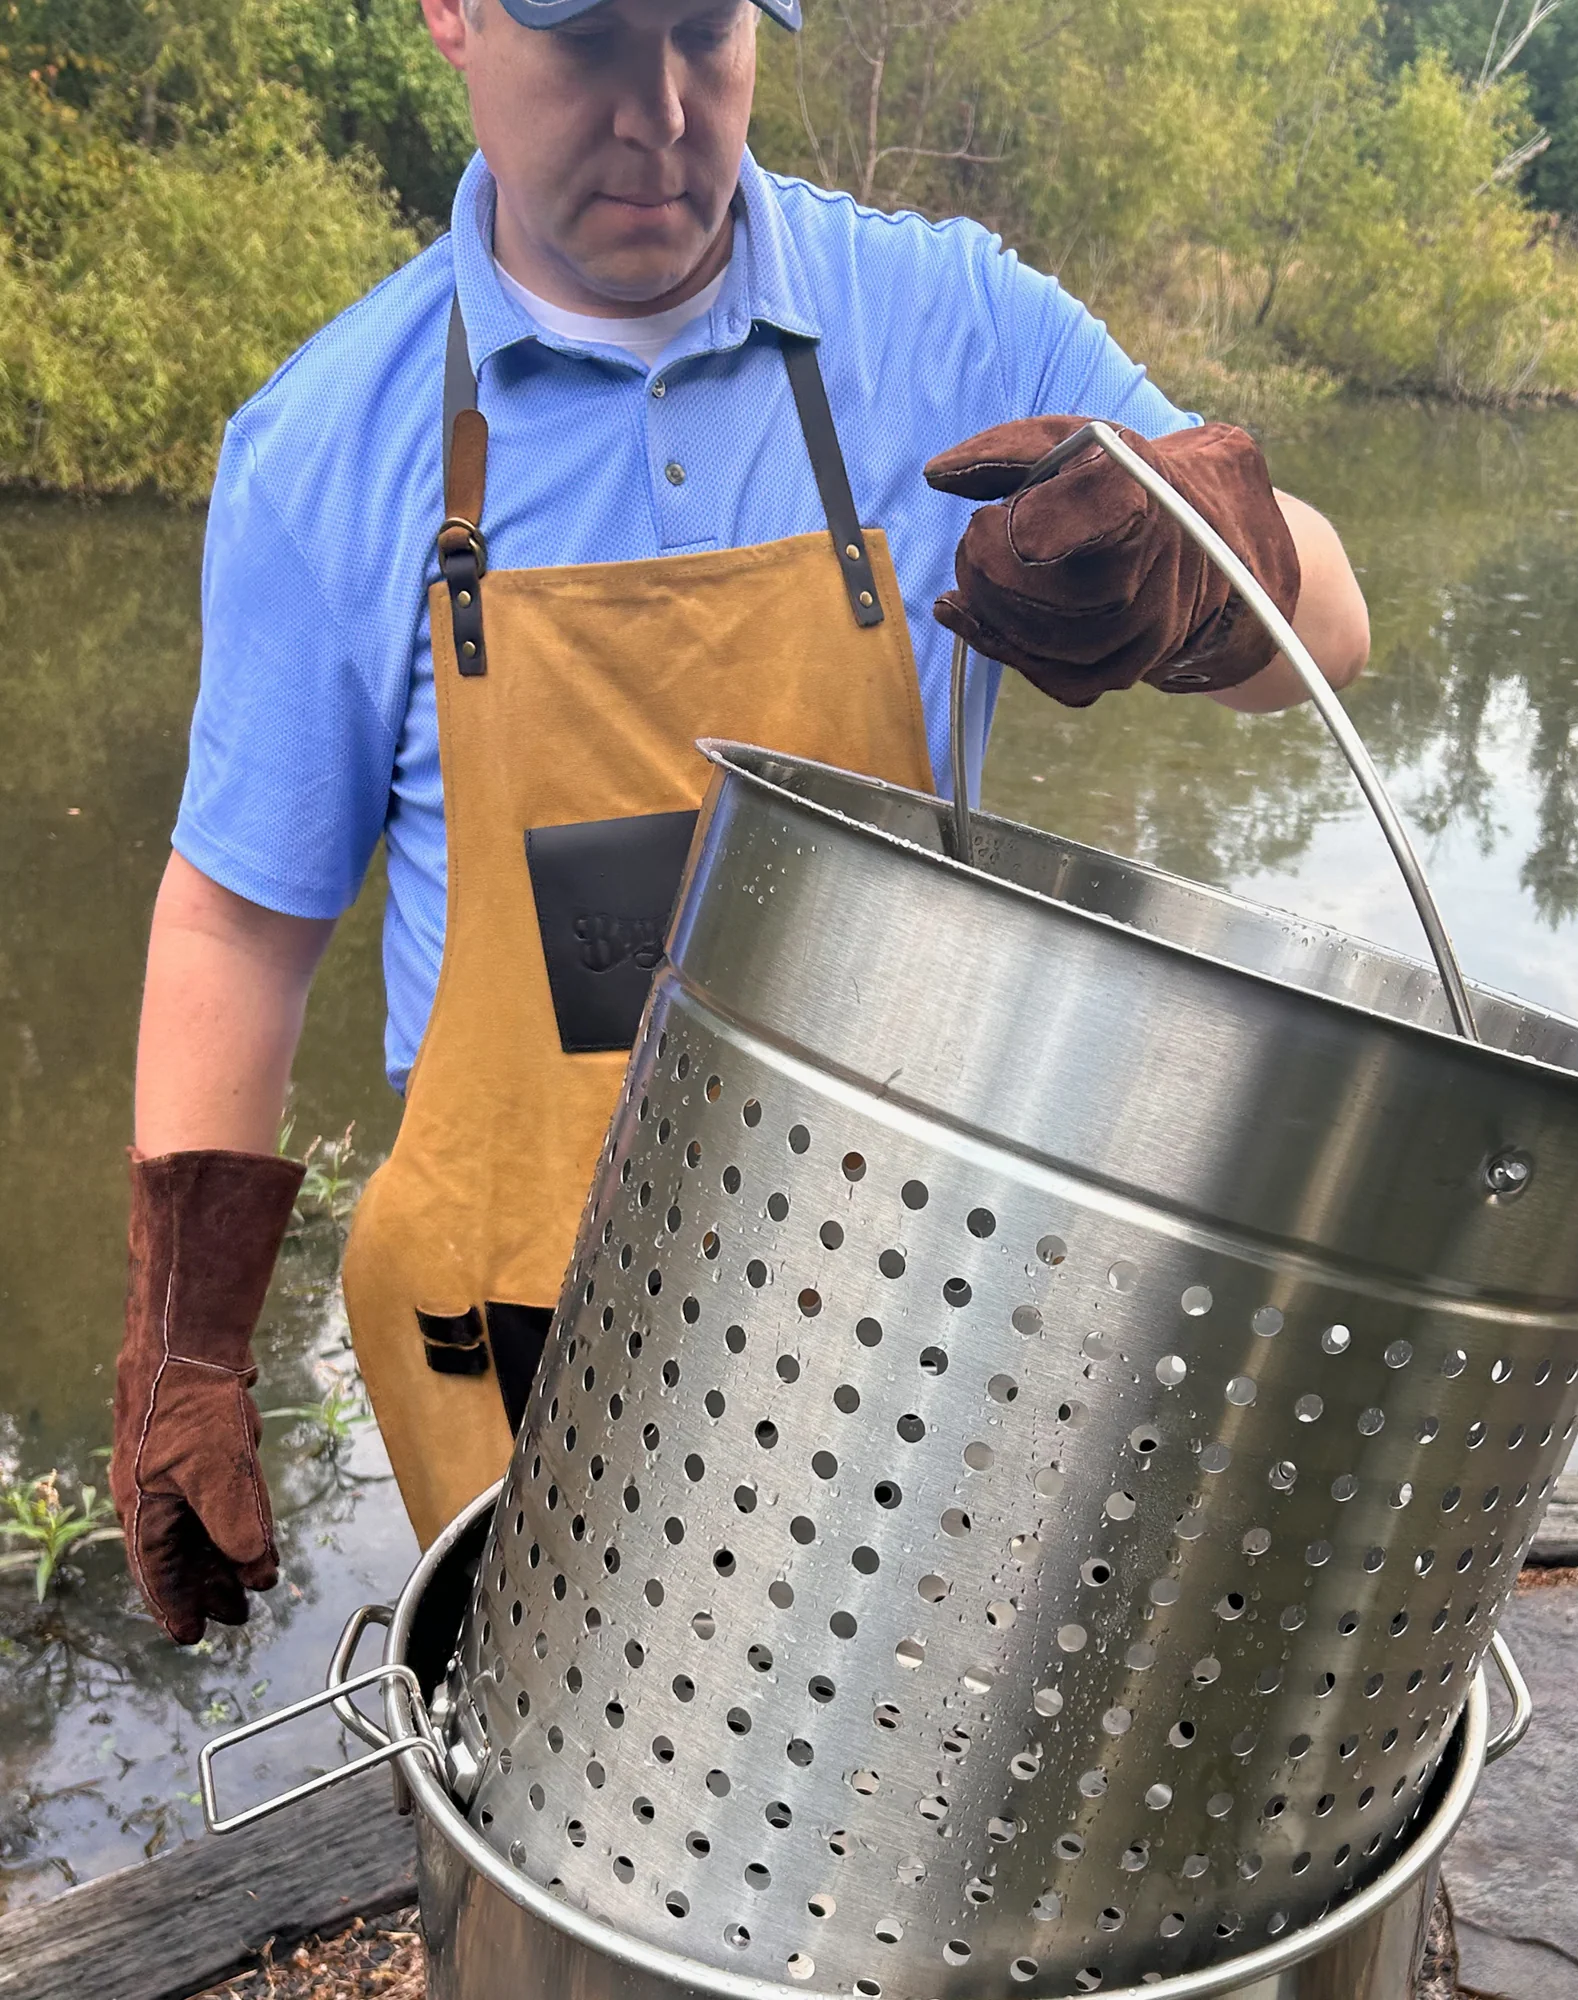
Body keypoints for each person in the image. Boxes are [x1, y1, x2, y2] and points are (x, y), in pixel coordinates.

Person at [112, 0, 1372, 1644]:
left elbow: (1329, 638)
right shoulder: (328, 449)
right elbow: (236, 922)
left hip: (915, 1292)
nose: (660, 113)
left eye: (704, 30)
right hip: (529, 1330)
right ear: (449, 16)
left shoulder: (951, 327)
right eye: (587, 38)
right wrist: (186, 1341)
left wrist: (1208, 566)